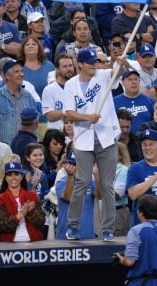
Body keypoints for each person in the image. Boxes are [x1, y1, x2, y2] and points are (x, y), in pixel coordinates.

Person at [63, 47, 128, 241]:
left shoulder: (102, 76)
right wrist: (86, 117)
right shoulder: (70, 85)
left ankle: (108, 228)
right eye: (89, 63)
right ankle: (73, 226)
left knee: (107, 184)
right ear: (80, 64)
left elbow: (117, 71)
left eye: (95, 62)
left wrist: (122, 66)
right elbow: (68, 113)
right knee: (82, 182)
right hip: (83, 139)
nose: (93, 66)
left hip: (106, 137)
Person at [0, 59, 37, 145]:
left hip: (25, 149)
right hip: (3, 151)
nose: (21, 74)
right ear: (7, 76)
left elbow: (34, 125)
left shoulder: (29, 97)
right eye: (17, 72)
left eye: (21, 71)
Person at [0, 161, 45, 242]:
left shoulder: (32, 196)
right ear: (5, 178)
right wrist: (19, 216)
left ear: (21, 177)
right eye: (9, 175)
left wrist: (31, 213)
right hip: (9, 245)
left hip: (34, 242)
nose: (13, 178)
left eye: (16, 174)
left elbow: (41, 221)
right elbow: (0, 225)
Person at [55, 149, 98, 240]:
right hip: (65, 237)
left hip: (87, 236)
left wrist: (97, 175)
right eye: (72, 164)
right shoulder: (61, 182)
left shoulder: (90, 182)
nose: (74, 167)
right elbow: (69, 198)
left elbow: (100, 195)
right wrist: (70, 176)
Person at [114, 69, 155, 135]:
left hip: (146, 140)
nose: (134, 82)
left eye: (136, 79)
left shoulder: (150, 101)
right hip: (124, 140)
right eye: (130, 79)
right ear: (123, 82)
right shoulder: (114, 102)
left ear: (139, 81)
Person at [42, 54, 75, 130]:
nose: (69, 69)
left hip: (76, 133)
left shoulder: (77, 86)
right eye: (65, 66)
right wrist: (71, 112)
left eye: (70, 66)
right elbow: (50, 116)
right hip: (56, 133)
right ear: (57, 69)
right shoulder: (49, 89)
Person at [114, 141, 131, 236]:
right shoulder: (104, 169)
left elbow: (116, 195)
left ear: (120, 156)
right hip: (103, 212)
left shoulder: (124, 170)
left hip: (118, 212)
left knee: (116, 246)